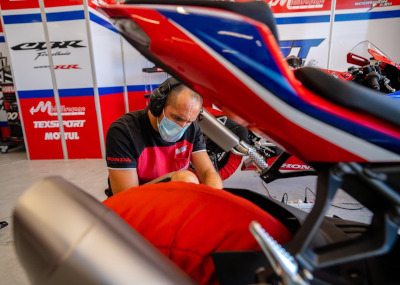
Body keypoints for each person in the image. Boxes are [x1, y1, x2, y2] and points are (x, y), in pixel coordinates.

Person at [105, 77, 223, 195]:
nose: (182, 127)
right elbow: (125, 196)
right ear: (158, 106)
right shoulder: (123, 132)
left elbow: (208, 172)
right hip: (134, 202)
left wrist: (217, 199)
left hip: (170, 199)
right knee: (186, 179)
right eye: (176, 118)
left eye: (188, 121)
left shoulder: (192, 129)